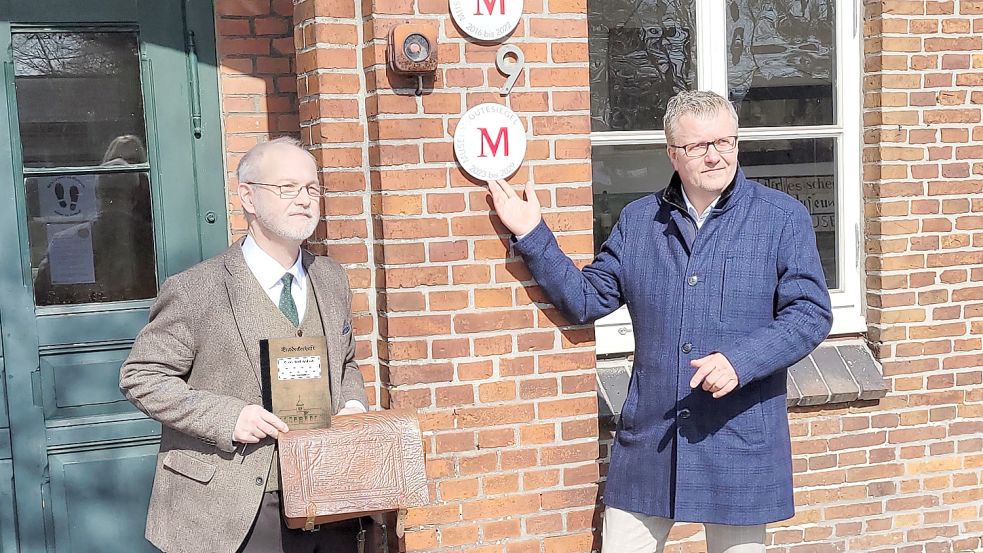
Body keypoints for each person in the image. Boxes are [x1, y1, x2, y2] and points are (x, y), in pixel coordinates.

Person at [488, 90, 832, 553]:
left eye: (725, 143)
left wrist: (740, 361)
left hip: (738, 434)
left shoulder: (780, 218)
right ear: (673, 154)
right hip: (652, 438)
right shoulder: (639, 221)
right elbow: (586, 300)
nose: (715, 156)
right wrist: (532, 234)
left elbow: (810, 312)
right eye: (699, 147)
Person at [120, 137, 369, 553]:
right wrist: (229, 416)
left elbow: (346, 364)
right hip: (233, 506)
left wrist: (353, 407)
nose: (305, 199)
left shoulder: (331, 278)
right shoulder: (196, 290)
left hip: (328, 493)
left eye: (312, 188)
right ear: (248, 197)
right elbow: (141, 377)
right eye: (287, 187)